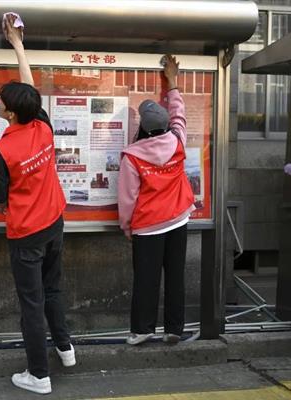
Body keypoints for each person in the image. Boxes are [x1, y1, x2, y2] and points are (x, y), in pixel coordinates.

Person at [0, 13, 75, 396]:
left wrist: (16, 210)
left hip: (26, 236)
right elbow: (29, 88)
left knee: (32, 304)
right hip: (55, 224)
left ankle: (39, 375)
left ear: (10, 113)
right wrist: (18, 45)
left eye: (2, 103)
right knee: (52, 290)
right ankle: (66, 350)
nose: (0, 104)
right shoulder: (43, 127)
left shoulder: (2, 149)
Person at [117, 55, 195, 346]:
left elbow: (128, 199)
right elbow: (179, 113)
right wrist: (172, 81)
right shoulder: (177, 141)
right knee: (175, 276)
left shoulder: (133, 156)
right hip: (178, 220)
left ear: (144, 128)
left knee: (146, 279)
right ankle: (174, 329)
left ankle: (142, 329)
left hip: (148, 227)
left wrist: (127, 227)